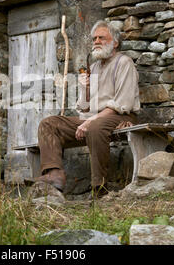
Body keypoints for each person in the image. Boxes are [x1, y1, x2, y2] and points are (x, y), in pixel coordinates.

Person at [31, 20, 141, 198]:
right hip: (95, 118)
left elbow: (123, 103)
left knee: (96, 128)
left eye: (101, 38)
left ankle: (99, 188)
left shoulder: (124, 63)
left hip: (122, 117)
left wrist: (91, 121)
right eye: (94, 38)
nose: (96, 41)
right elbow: (84, 107)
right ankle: (54, 174)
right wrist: (85, 89)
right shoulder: (94, 67)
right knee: (49, 124)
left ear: (115, 42)